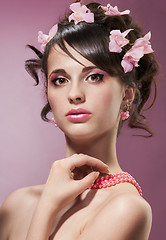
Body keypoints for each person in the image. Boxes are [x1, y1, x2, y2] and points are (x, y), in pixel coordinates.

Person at [0, 1, 159, 239]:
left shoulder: (126, 209)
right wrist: (48, 202)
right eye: (60, 80)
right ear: (48, 94)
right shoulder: (16, 205)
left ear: (127, 95)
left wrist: (46, 209)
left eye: (94, 77)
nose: (74, 94)